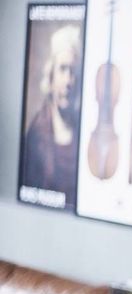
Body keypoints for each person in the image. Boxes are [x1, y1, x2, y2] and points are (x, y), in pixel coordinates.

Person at [21, 24, 82, 209]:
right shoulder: (36, 132)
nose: (68, 81)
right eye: (62, 69)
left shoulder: (84, 129)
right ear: (51, 76)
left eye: (73, 71)